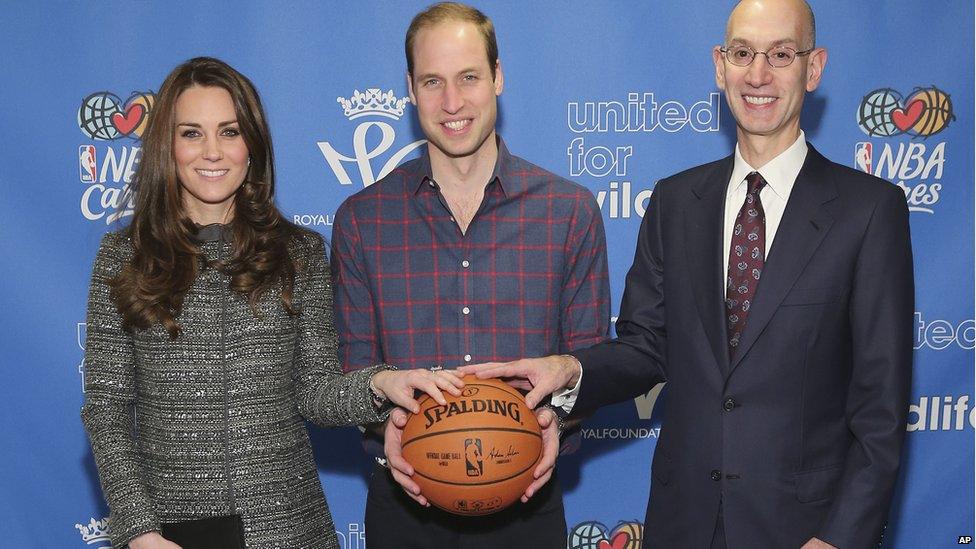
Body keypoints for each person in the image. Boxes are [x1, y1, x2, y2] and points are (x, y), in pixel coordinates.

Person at [461, 1, 915, 548]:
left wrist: (839, 538)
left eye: (781, 54)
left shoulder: (869, 211)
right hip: (683, 525)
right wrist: (568, 369)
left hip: (804, 532)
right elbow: (645, 348)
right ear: (719, 66)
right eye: (743, 53)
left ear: (813, 68)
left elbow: (881, 409)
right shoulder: (676, 202)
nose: (759, 74)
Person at [81, 56, 463, 549]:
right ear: (166, 146)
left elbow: (318, 393)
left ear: (252, 145)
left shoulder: (298, 252)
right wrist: (139, 529)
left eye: (230, 131)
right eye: (191, 133)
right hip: (169, 536)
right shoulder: (123, 258)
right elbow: (107, 410)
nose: (213, 152)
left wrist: (382, 382)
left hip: (289, 528)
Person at [329, 3, 610, 547]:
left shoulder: (569, 212)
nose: (452, 102)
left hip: (527, 501)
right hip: (405, 504)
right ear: (409, 88)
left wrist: (557, 420)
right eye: (433, 81)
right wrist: (381, 418)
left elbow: (589, 364)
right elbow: (348, 375)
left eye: (469, 78)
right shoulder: (363, 220)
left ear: (498, 78)